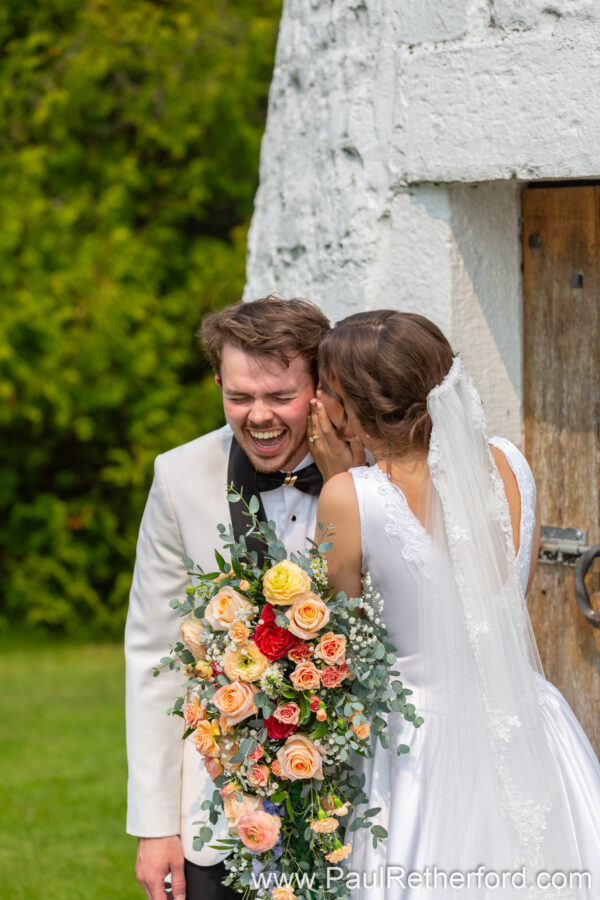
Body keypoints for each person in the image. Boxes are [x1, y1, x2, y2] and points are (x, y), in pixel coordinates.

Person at [310, 310, 600, 898]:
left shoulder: (349, 496)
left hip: (418, 744)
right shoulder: (510, 465)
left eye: (329, 391)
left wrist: (342, 480)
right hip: (530, 723)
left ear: (353, 407)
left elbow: (341, 633)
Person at [125, 296, 364, 900]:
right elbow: (154, 655)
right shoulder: (179, 478)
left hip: (362, 813)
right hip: (221, 818)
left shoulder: (372, 474)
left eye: (279, 396)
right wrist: (155, 828)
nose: (258, 416)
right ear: (217, 383)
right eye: (238, 397)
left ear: (318, 387)